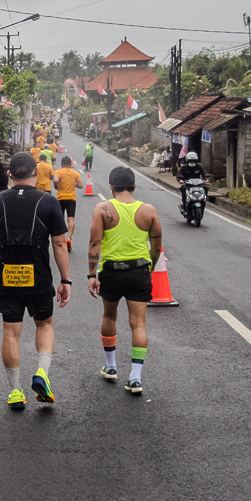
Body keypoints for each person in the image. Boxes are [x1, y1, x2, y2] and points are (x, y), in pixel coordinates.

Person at [0, 152, 72, 410]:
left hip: (7, 275)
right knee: (44, 323)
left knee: (10, 331)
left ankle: (16, 392)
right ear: (35, 173)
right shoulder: (48, 202)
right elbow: (59, 244)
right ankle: (42, 373)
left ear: (10, 175)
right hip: (39, 275)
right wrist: (66, 279)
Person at [87, 167, 163, 395]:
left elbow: (94, 244)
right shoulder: (149, 211)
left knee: (109, 315)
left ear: (111, 186)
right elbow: (157, 247)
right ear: (134, 187)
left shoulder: (102, 208)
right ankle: (135, 378)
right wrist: (149, 269)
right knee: (138, 324)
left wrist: (92, 275)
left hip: (111, 271)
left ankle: (110, 366)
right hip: (139, 271)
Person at [52, 155, 84, 251]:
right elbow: (81, 185)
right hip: (71, 199)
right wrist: (74, 184)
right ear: (70, 164)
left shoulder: (58, 172)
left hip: (60, 198)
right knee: (71, 219)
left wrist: (56, 186)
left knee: (60, 219)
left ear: (61, 164)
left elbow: (56, 179)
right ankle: (69, 238)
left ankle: (61, 239)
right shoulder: (75, 173)